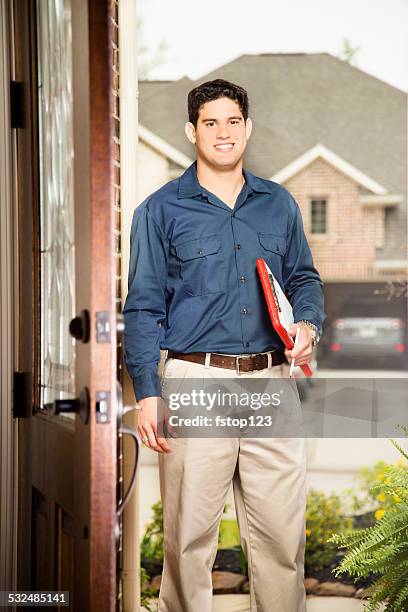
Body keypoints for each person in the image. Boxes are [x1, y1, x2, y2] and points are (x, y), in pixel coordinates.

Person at [123, 79, 325, 612]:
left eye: (233, 121)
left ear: (248, 128)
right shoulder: (159, 211)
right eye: (210, 122)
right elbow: (143, 307)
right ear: (192, 131)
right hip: (195, 380)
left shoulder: (278, 204)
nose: (223, 133)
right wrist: (148, 392)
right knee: (189, 539)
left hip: (271, 382)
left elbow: (304, 278)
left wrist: (307, 325)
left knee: (283, 536)